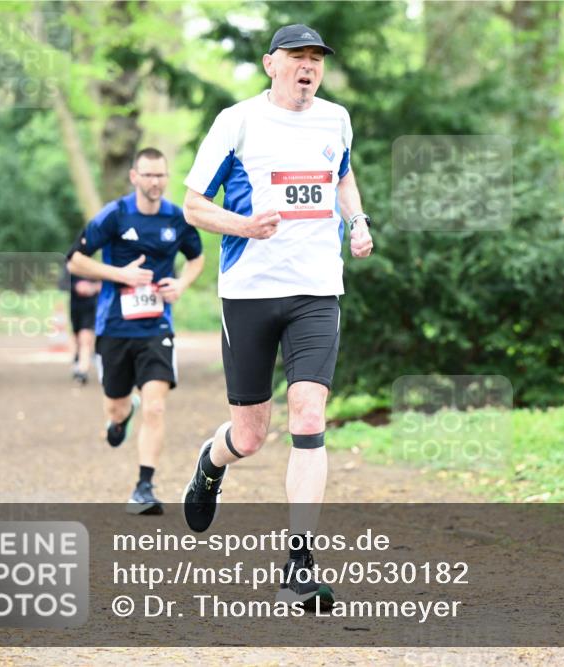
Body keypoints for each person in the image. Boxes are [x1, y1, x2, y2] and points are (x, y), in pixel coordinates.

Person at [180, 24, 373, 610]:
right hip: (249, 293)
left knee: (309, 409)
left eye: (316, 58)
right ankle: (210, 466)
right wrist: (244, 225)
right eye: (297, 57)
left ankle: (299, 559)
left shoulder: (335, 119)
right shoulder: (236, 122)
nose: (308, 67)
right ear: (271, 64)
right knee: (251, 434)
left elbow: (341, 174)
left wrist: (358, 221)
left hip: (316, 291)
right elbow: (193, 207)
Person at [66, 147, 205, 515]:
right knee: (115, 404)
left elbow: (197, 257)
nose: (156, 182)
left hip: (157, 326)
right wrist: (120, 275)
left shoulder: (177, 218)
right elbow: (75, 260)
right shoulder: (115, 215)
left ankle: (144, 486)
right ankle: (120, 416)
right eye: (148, 175)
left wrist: (183, 284)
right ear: (134, 177)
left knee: (156, 407)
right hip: (114, 326)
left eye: (161, 175)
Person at [62, 266, 101, 385]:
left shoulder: (96, 267)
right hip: (75, 308)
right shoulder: (71, 267)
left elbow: (105, 284)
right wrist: (76, 286)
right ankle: (77, 360)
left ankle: (82, 371)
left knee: (86, 337)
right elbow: (62, 284)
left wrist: (93, 288)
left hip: (91, 307)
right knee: (76, 337)